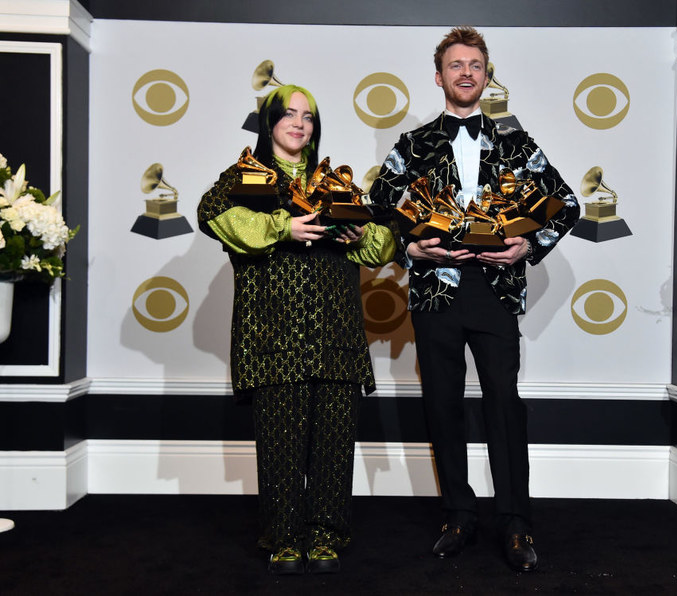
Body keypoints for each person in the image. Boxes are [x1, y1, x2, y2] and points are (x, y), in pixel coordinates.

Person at [368, 27, 579, 572]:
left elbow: (569, 204)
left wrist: (528, 246)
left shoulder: (517, 141)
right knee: (442, 405)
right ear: (439, 77)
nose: (466, 73)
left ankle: (515, 523)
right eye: (456, 65)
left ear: (487, 76)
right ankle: (458, 514)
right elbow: (378, 211)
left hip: (495, 291)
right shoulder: (412, 146)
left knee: (503, 407)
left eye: (476, 65)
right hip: (434, 292)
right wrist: (410, 248)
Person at [197, 84, 395, 575]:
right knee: (281, 442)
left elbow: (382, 246)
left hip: (335, 332)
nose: (299, 123)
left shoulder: (335, 181)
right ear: (269, 123)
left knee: (333, 440)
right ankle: (284, 537)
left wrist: (359, 231)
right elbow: (211, 213)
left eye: (308, 116)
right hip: (273, 332)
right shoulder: (246, 174)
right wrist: (282, 228)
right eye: (289, 114)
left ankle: (327, 533)